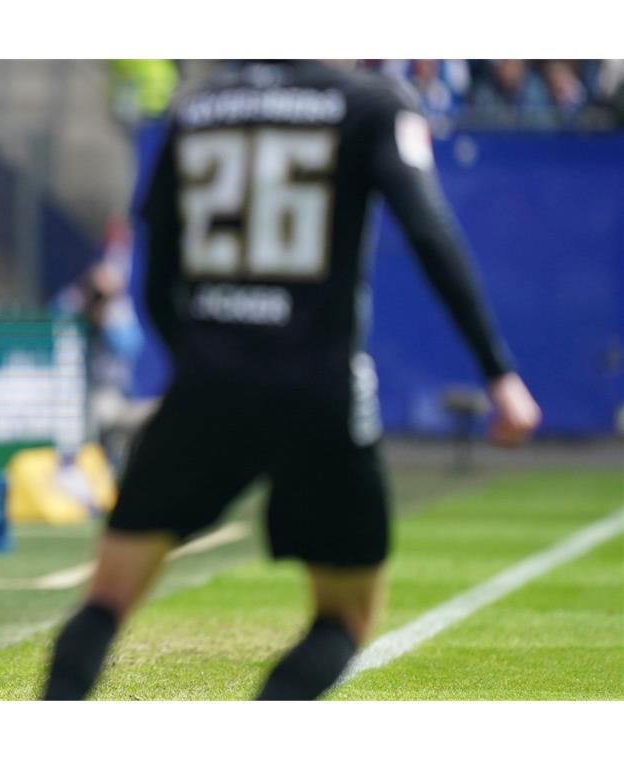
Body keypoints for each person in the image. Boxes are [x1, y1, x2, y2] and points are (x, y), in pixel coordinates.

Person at [42, 60, 541, 701]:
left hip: (209, 388)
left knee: (106, 599)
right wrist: (498, 372)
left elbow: (157, 257)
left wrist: (192, 362)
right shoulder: (367, 102)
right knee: (344, 617)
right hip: (318, 392)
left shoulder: (199, 105)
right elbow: (428, 228)